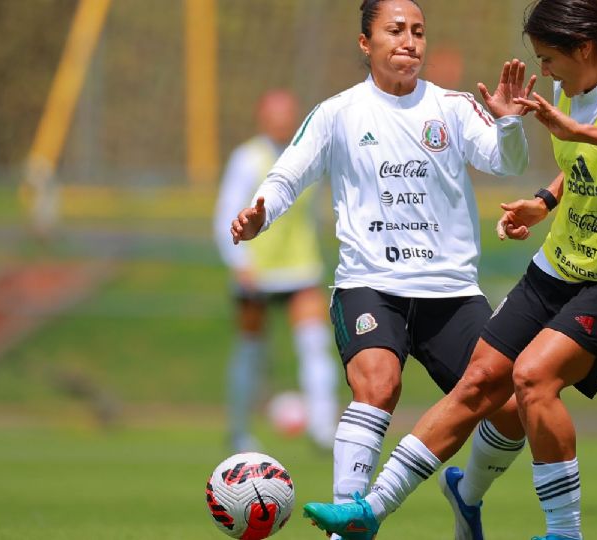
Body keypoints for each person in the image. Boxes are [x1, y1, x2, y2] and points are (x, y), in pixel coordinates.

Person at [300, 1, 597, 539]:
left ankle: (564, 533)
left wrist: (575, 131)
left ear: (585, 48)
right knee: (481, 382)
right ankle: (372, 511)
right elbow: (585, 168)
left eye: (549, 59)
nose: (544, 72)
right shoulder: (566, 94)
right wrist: (543, 203)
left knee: (533, 378)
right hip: (559, 266)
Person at [229, 1, 536, 538]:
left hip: (451, 291)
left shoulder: (454, 107)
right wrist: (261, 213)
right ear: (365, 43)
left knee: (511, 408)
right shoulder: (338, 112)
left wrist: (509, 124)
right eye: (395, 30)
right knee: (378, 383)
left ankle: (467, 495)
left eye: (418, 31)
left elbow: (504, 161)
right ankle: (346, 522)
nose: (409, 41)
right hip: (370, 286)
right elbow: (287, 175)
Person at [214, 89, 338, 453]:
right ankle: (238, 432)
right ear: (262, 117)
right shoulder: (247, 158)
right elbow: (224, 213)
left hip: (300, 268)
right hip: (258, 270)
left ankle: (322, 427)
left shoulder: (308, 155)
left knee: (315, 344)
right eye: (275, 113)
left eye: (289, 112)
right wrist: (240, 263)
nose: (283, 119)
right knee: (250, 350)